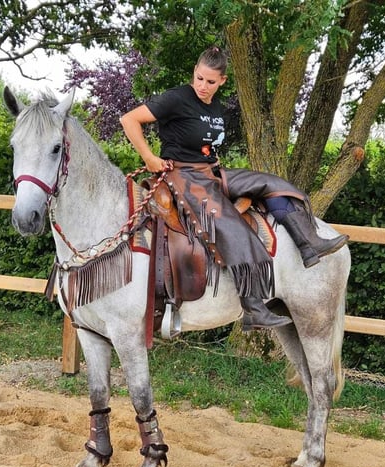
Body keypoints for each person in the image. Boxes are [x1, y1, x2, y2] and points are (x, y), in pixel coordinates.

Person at [120, 47, 348, 331]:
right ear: (194, 71)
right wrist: (149, 158)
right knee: (234, 228)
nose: (203, 86)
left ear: (222, 81)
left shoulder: (215, 107)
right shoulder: (177, 98)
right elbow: (129, 120)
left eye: (210, 82)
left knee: (274, 185)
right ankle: (253, 307)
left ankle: (309, 243)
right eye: (199, 78)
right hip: (183, 177)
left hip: (213, 172)